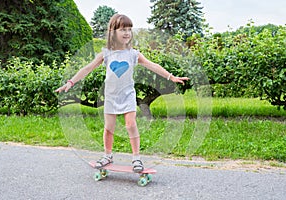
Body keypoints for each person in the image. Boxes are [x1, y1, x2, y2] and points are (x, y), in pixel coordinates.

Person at [55, 14, 189, 173]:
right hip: (111, 97)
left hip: (128, 95)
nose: (127, 33)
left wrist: (170, 76)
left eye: (129, 29)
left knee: (131, 124)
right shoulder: (106, 53)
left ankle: (136, 158)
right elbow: (87, 68)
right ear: (113, 32)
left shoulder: (133, 54)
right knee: (109, 128)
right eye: (123, 29)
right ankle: (107, 155)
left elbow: (152, 65)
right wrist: (71, 82)